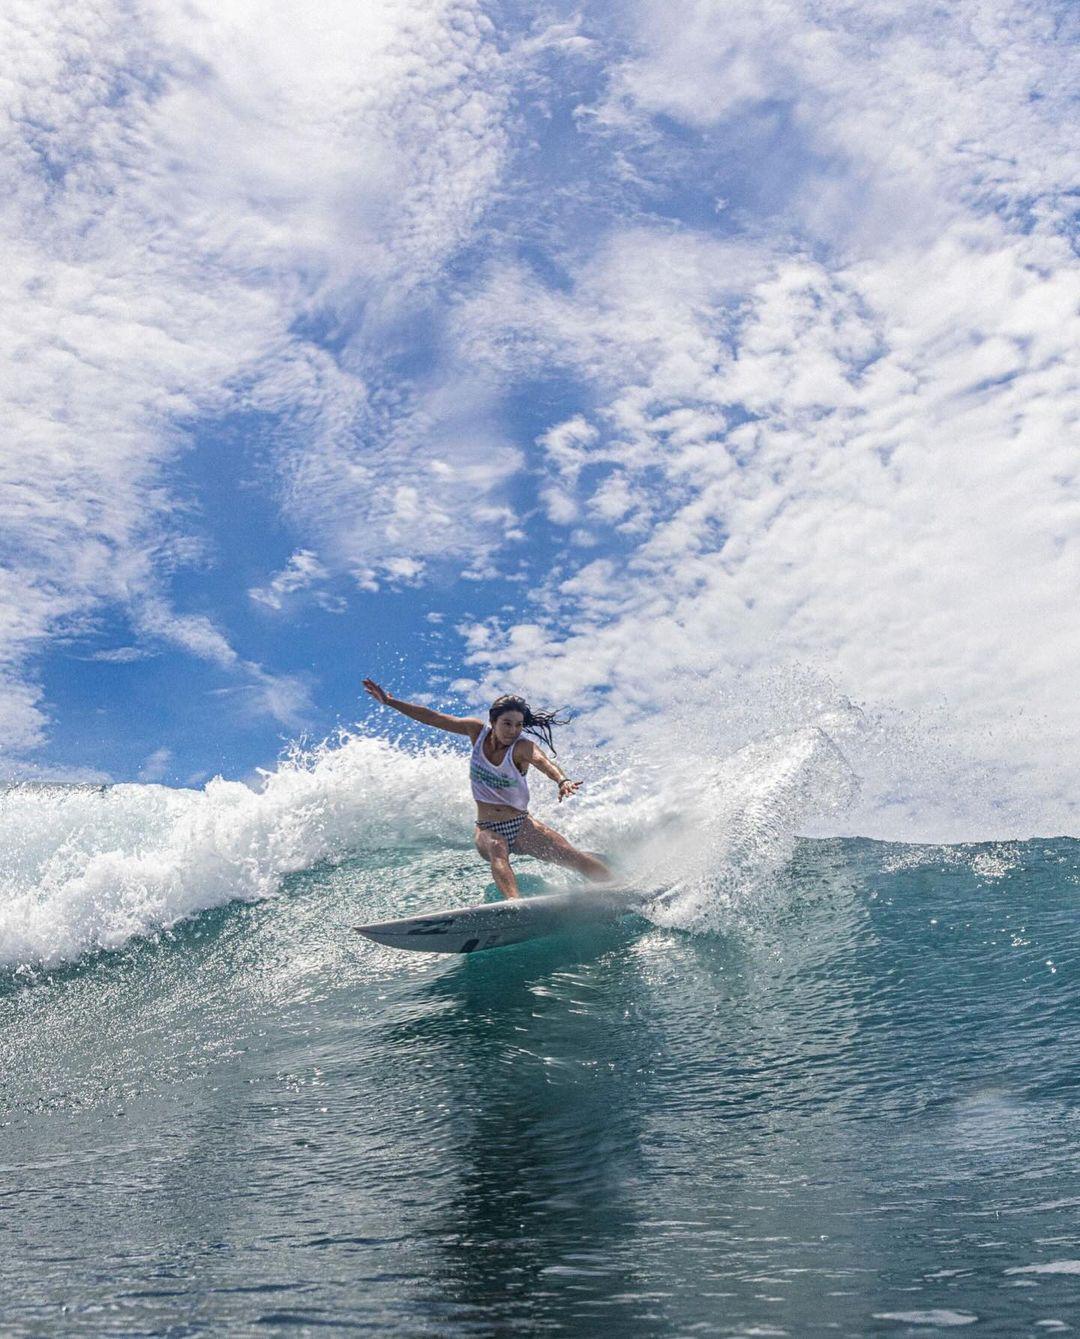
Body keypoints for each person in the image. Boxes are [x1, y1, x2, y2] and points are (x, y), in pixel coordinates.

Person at [362, 679, 612, 899]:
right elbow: (434, 718)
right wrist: (391, 702)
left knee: (571, 856)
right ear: (493, 721)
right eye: (507, 724)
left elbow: (542, 761)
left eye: (518, 725)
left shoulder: (522, 747)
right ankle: (515, 905)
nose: (513, 731)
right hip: (487, 827)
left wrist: (562, 781)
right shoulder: (476, 731)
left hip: (521, 824)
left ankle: (616, 885)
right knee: (497, 850)